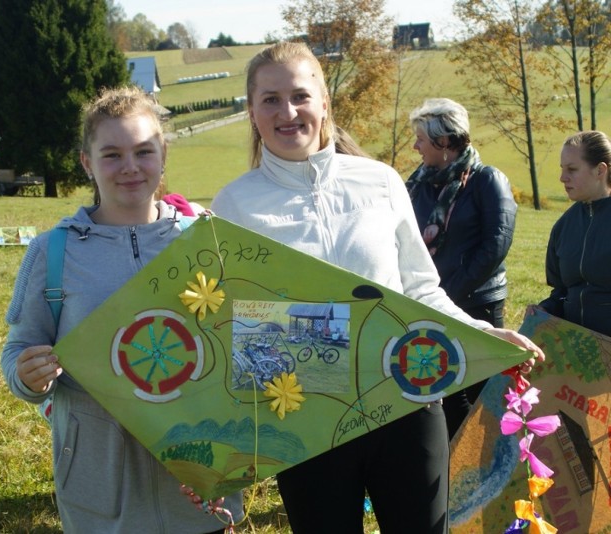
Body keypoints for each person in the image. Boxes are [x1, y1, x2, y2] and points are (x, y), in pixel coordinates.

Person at [208, 41, 543, 534]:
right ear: (252, 112)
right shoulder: (234, 205)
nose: (288, 111)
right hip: (307, 421)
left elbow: (420, 289)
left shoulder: (381, 182)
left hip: (406, 400)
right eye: (270, 99)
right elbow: (231, 324)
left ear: (324, 102)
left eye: (301, 95)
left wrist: (482, 333)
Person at [0, 85, 243, 534]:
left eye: (143, 151)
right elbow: (18, 350)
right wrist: (27, 376)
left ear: (163, 154)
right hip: (100, 496)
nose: (130, 167)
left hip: (197, 489)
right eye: (111, 154)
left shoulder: (207, 242)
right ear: (86, 162)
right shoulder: (52, 252)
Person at [406, 98, 518, 439]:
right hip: (435, 302)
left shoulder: (487, 180)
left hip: (477, 302)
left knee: (481, 393)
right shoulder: (418, 183)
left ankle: (487, 468)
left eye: (421, 139)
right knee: (447, 390)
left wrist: (450, 293)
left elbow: (496, 243)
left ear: (444, 141)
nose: (415, 146)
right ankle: (456, 468)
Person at [539, 130, 611, 336]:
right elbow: (562, 293)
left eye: (572, 169)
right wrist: (546, 309)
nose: (563, 178)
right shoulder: (563, 226)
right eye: (562, 169)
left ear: (600, 170)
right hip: (576, 353)